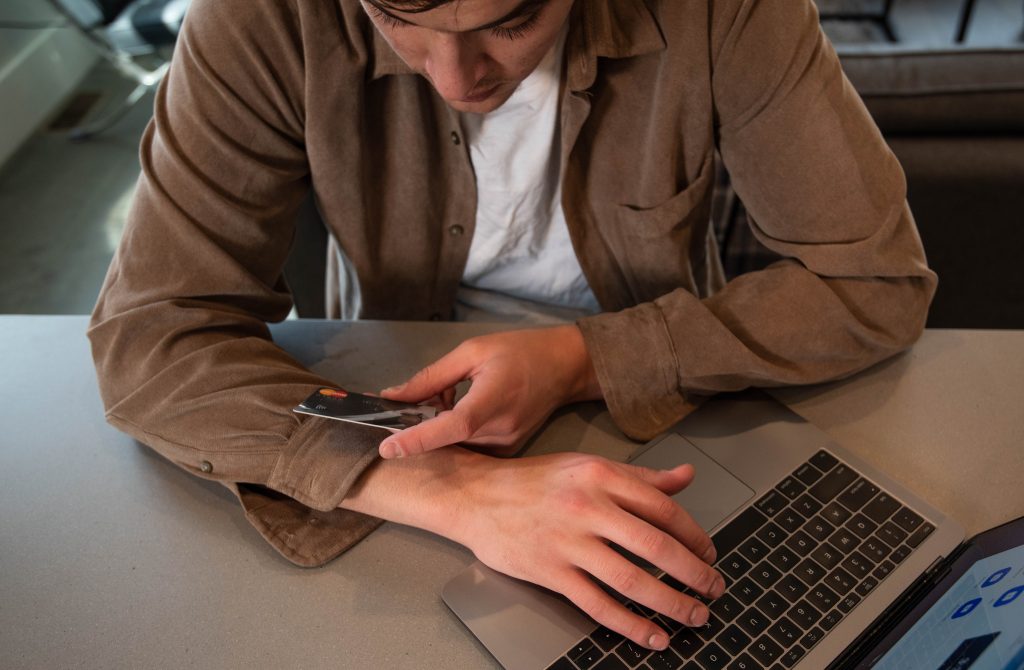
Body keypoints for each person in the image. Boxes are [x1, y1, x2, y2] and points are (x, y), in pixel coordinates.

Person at [87, 0, 936, 653]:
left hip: (680, 392)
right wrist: (456, 490)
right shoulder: (259, 18)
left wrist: (579, 358)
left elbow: (874, 281)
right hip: (376, 416)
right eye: (396, 18)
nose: (457, 79)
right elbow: (150, 337)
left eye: (514, 19)